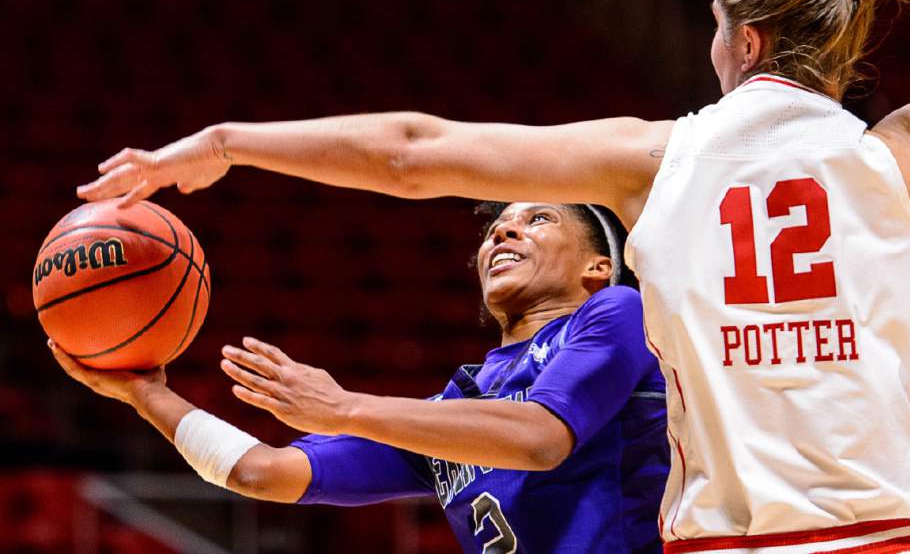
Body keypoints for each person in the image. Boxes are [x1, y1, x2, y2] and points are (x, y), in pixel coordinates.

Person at [75, 0, 910, 552]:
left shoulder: (656, 162)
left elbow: (413, 152)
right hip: (904, 536)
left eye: (712, 26)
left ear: (744, 39)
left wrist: (230, 143)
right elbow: (273, 470)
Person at [50, 201, 670, 554]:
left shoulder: (617, 310)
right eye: (494, 228)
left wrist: (342, 408)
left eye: (539, 220)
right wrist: (146, 394)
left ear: (599, 265)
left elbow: (540, 438)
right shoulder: (454, 408)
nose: (502, 232)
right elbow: (260, 472)